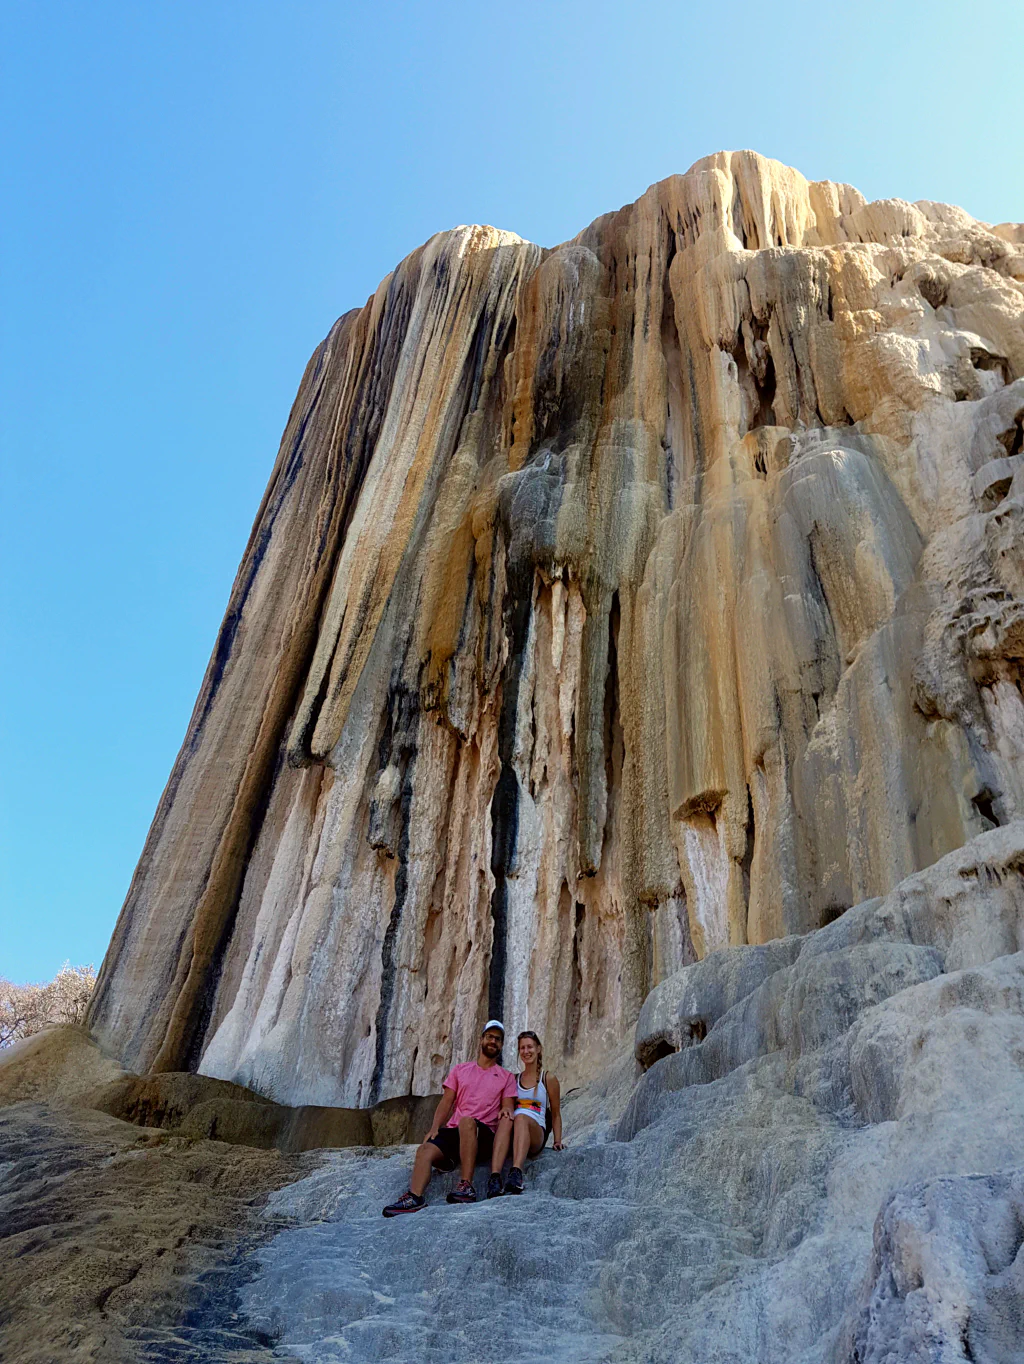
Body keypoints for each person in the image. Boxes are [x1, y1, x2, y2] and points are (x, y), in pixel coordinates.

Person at [382, 1020, 516, 1215]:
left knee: (467, 1122)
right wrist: (434, 1127)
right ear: (481, 1039)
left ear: (501, 1045)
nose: (493, 1041)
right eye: (489, 1037)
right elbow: (446, 1102)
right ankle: (415, 1197)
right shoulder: (460, 1070)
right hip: (456, 1132)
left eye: (497, 1039)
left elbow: (507, 1106)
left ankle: (466, 1185)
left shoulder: (506, 1077)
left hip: (484, 1135)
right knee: (425, 1149)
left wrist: (508, 1111)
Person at [503, 1029, 564, 1194]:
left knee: (521, 1117)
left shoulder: (547, 1078)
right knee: (513, 1118)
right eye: (522, 1048)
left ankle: (516, 1172)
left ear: (538, 1049)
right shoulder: (514, 1079)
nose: (526, 1051)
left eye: (530, 1047)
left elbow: (556, 1113)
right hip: (515, 1133)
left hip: (536, 1132)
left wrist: (557, 1140)